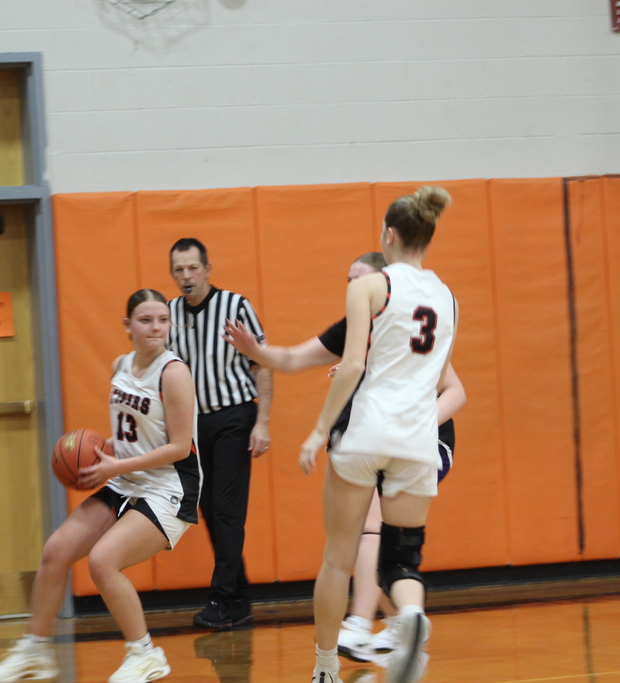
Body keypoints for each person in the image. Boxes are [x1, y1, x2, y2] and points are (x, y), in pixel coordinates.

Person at [223, 252, 466, 663]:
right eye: (348, 279)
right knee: (376, 541)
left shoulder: (403, 327)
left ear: (382, 284)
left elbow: (457, 391)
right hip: (382, 442)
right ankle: (401, 621)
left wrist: (415, 425)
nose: (352, 286)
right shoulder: (355, 328)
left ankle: (358, 625)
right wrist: (256, 351)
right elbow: (294, 358)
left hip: (426, 441)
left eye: (360, 279)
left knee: (369, 526)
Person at [0, 289, 200, 683]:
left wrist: (116, 465)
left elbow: (180, 447)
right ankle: (35, 650)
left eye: (162, 320)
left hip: (169, 487)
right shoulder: (121, 365)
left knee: (102, 561)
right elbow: (132, 435)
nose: (155, 328)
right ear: (128, 325)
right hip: (127, 478)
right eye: (146, 320)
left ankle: (145, 655)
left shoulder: (173, 373)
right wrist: (100, 453)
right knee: (56, 551)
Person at [300, 186, 455, 683]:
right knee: (402, 559)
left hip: (369, 434)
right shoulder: (446, 297)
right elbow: (442, 379)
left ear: (389, 235)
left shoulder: (372, 288)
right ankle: (409, 616)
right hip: (417, 442)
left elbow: (351, 367)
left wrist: (318, 431)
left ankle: (327, 666)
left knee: (337, 557)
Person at [167, 238, 274, 631]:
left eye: (193, 268)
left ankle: (222, 599)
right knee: (210, 509)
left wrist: (262, 422)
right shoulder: (170, 314)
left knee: (227, 509)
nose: (186, 276)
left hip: (233, 417)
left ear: (207, 269)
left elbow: (262, 364)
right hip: (194, 424)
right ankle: (240, 596)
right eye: (179, 270)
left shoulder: (236, 307)